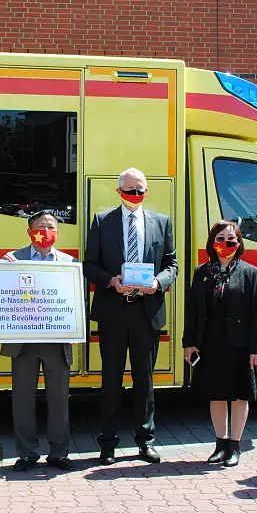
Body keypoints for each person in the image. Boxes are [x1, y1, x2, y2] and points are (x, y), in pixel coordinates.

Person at [83, 167, 178, 465]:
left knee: (144, 381)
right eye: (130, 190)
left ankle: (145, 441)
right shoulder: (102, 221)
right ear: (119, 191)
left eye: (140, 190)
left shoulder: (162, 223)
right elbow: (90, 264)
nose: (136, 195)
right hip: (114, 311)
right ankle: (108, 444)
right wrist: (111, 280)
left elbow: (171, 264)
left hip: (146, 312)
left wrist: (158, 283)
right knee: (111, 381)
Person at [183, 220, 257, 467]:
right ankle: (220, 444)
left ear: (239, 244)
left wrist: (256, 349)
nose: (226, 244)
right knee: (216, 396)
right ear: (212, 243)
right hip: (211, 344)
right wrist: (190, 342)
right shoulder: (201, 272)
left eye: (231, 240)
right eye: (220, 239)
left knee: (240, 397)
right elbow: (192, 311)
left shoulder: (250, 273)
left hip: (240, 345)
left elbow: (256, 314)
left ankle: (235, 446)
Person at [0, 209, 76, 472]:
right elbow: (0, 295)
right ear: (29, 231)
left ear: (58, 231)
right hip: (23, 342)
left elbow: (76, 302)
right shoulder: (12, 260)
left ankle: (59, 453)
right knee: (22, 399)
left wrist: (75, 328)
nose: (46, 231)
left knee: (59, 400)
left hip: (57, 342)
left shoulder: (69, 263)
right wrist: (2, 269)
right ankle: (26, 454)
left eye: (51, 226)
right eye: (41, 226)